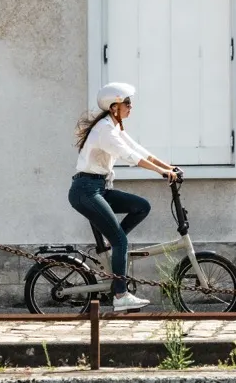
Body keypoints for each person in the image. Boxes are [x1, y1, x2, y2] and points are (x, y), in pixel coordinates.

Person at [70, 82, 179, 311]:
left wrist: (168, 167)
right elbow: (129, 155)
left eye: (130, 102)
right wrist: (161, 172)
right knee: (122, 240)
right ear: (114, 107)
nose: (131, 107)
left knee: (141, 206)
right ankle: (120, 295)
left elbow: (138, 149)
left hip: (100, 188)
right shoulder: (105, 131)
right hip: (86, 190)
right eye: (127, 103)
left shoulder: (115, 126)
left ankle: (113, 243)